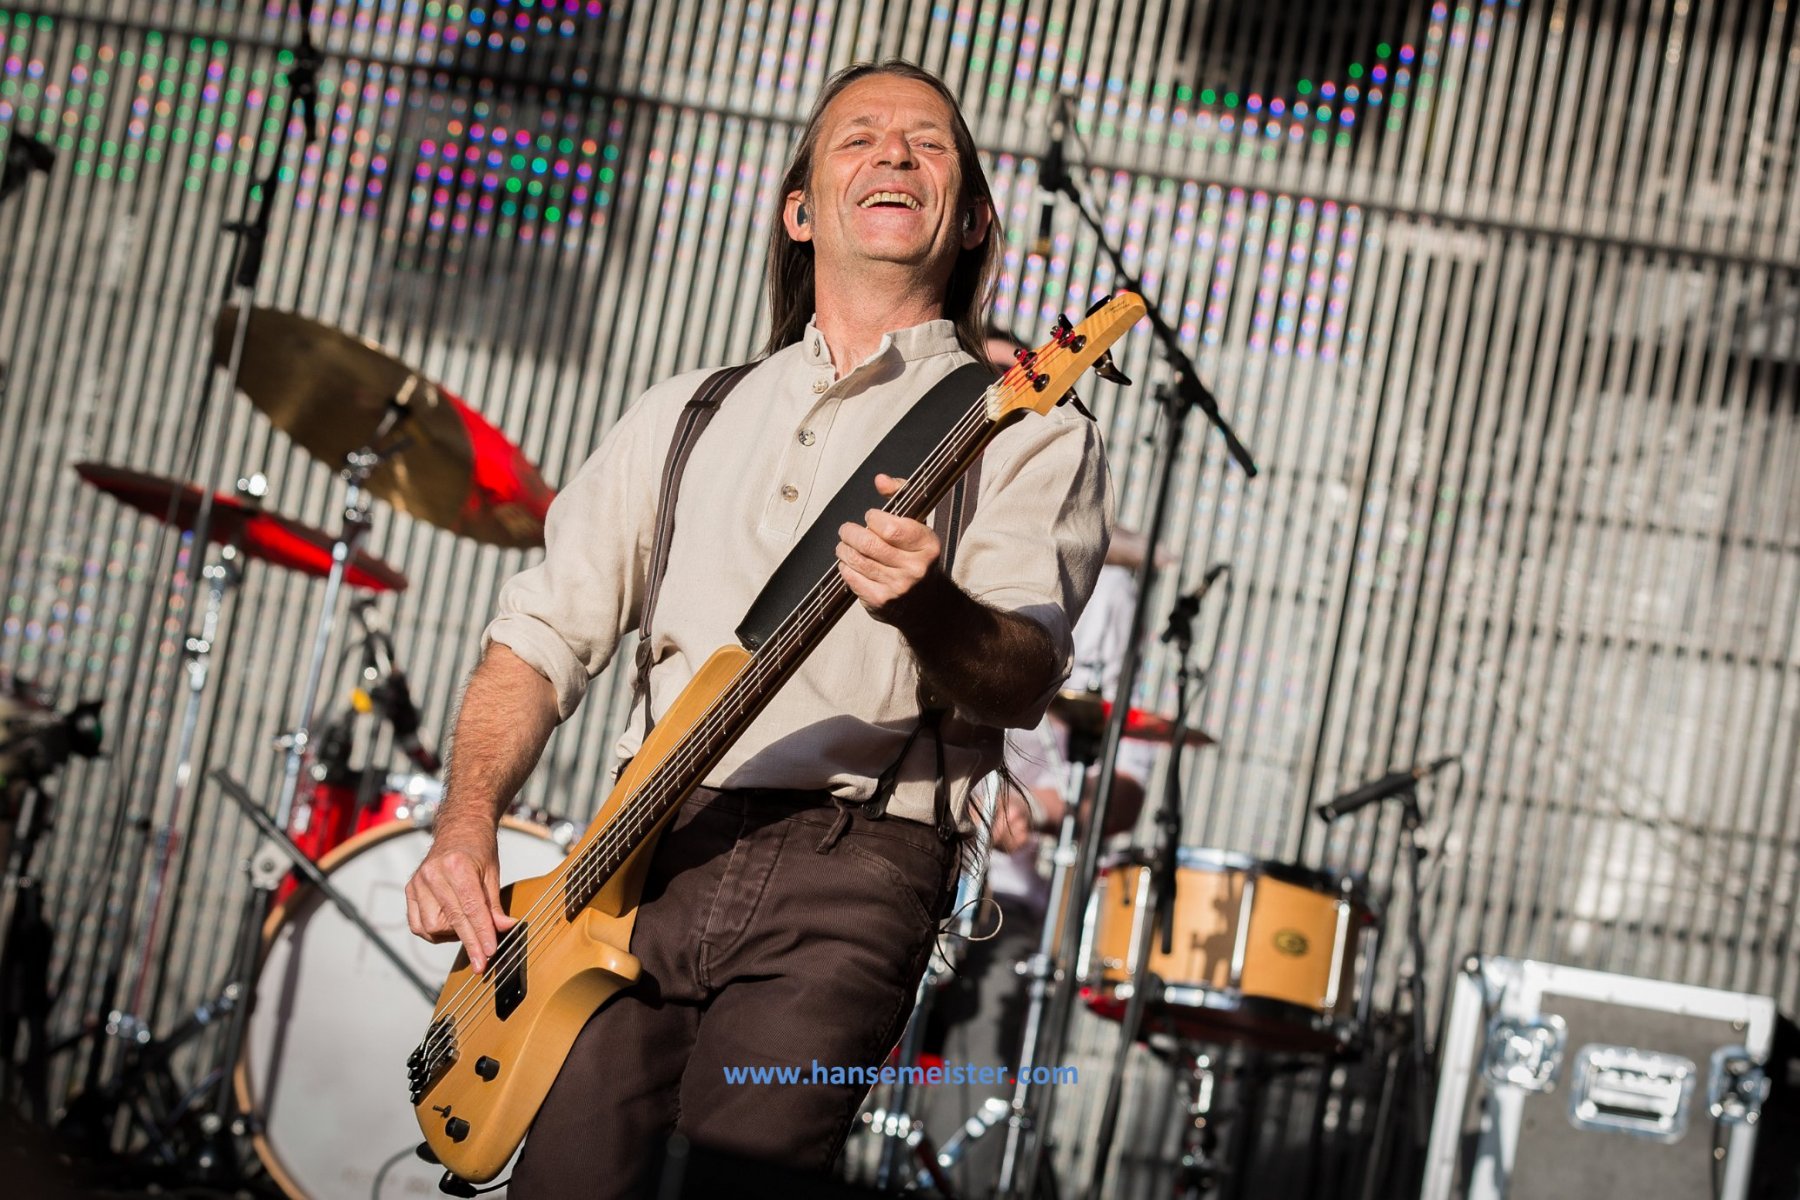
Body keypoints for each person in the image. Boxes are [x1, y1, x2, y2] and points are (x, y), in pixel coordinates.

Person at [403, 60, 1112, 1198]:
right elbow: (538, 635)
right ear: (799, 212)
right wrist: (466, 821)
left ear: (974, 218)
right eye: (858, 137)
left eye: (928, 143)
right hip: (639, 851)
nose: (893, 154)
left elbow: (1021, 677)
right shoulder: (684, 413)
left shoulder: (1029, 432)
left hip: (857, 868)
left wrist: (929, 608)